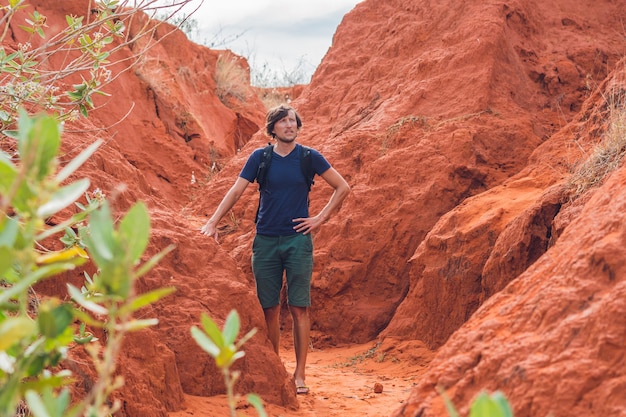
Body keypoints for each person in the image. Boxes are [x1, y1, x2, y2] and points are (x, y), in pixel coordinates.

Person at [200, 105, 350, 395]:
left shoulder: (309, 157)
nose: (289, 125)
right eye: (282, 121)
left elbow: (342, 187)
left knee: (299, 307)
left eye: (292, 121)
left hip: (298, 241)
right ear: (273, 128)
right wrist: (212, 222)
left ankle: (300, 374)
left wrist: (319, 219)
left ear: (297, 126)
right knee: (269, 307)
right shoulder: (261, 158)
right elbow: (236, 190)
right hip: (266, 240)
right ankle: (275, 369)